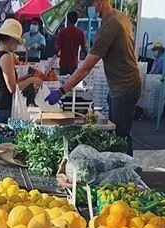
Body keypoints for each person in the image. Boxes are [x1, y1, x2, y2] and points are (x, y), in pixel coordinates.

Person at [46, 0, 141, 154]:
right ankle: (124, 167)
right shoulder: (120, 16)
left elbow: (85, 68)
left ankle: (128, 173)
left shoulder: (110, 25)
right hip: (124, 83)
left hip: (124, 86)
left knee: (120, 137)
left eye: (91, 4)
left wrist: (61, 91)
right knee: (118, 132)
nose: (89, 8)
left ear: (100, 2)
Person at [0, 18, 42, 123]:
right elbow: (12, 88)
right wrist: (32, 80)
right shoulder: (6, 56)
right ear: (11, 39)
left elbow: (4, 82)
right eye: (16, 41)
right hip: (0, 108)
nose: (17, 45)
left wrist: (25, 78)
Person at [55, 11, 87, 76]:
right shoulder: (80, 32)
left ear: (68, 19)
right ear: (76, 20)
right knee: (73, 84)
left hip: (63, 63)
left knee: (63, 84)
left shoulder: (62, 32)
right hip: (74, 63)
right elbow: (84, 48)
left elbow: (57, 48)